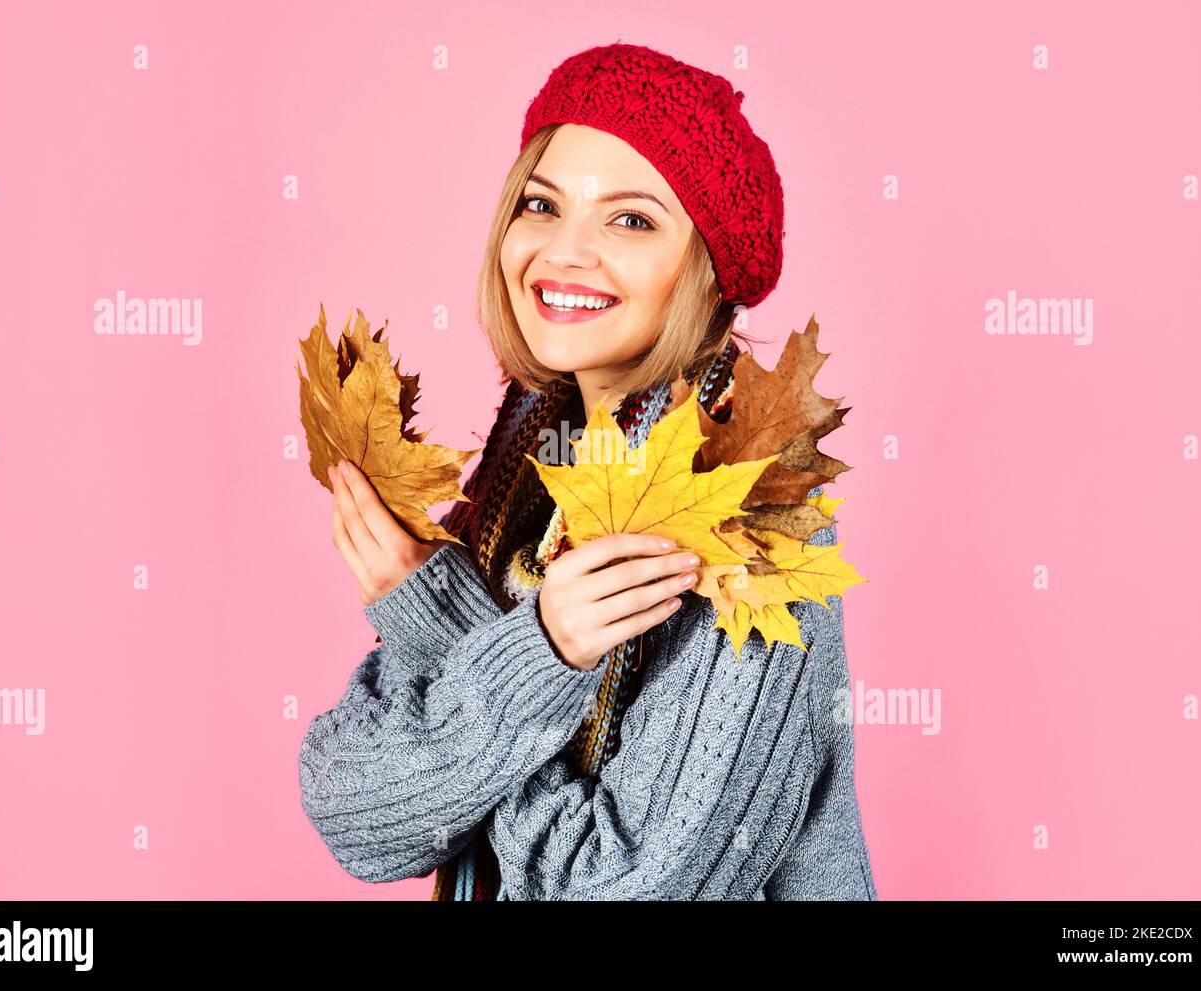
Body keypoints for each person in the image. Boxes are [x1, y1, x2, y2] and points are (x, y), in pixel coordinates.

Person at [299, 42, 877, 901]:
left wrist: (457, 627)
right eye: (541, 204)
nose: (563, 253)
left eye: (631, 219)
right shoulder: (527, 474)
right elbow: (356, 814)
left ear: (708, 270)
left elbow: (625, 887)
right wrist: (528, 650)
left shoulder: (752, 517)